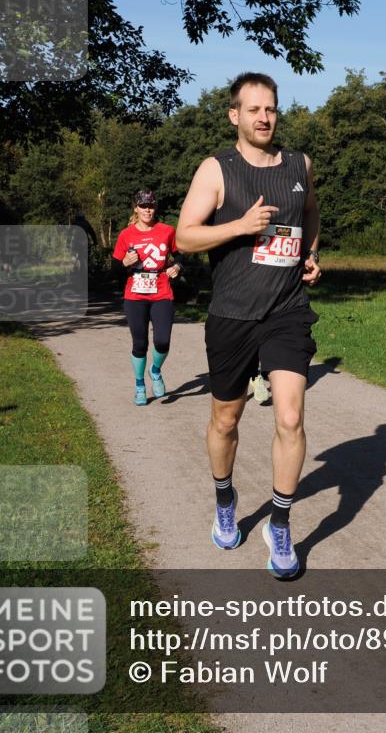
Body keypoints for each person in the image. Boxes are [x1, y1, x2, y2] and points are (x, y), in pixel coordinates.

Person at [176, 72, 321, 579]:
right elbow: (184, 238)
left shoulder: (300, 165)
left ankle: (279, 523)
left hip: (287, 311)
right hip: (232, 314)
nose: (265, 118)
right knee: (226, 421)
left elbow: (311, 217)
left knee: (289, 418)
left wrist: (310, 254)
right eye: (254, 109)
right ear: (234, 115)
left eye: (272, 109)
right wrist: (239, 226)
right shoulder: (218, 169)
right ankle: (224, 497)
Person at [112, 190, 182, 405]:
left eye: (150, 205)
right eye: (143, 206)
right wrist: (124, 263)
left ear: (155, 207)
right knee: (139, 343)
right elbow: (114, 268)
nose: (147, 210)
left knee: (162, 341)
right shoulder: (126, 234)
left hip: (161, 291)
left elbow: (180, 254)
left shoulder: (167, 231)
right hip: (135, 294)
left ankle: (156, 370)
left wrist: (178, 266)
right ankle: (140, 385)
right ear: (136, 208)